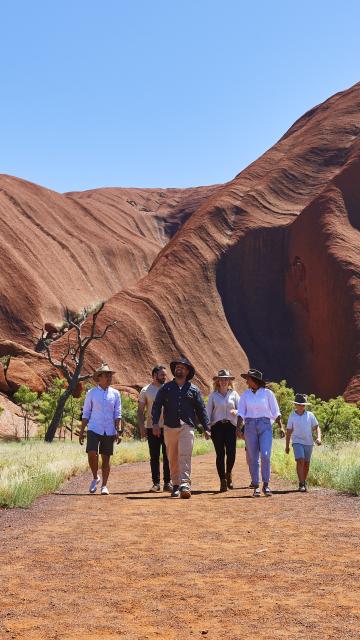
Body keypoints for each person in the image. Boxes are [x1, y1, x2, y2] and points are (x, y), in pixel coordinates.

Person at [152, 357, 210, 499]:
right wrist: (155, 423)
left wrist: (206, 427)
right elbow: (157, 405)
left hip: (187, 426)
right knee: (172, 456)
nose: (179, 369)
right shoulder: (166, 388)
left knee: (184, 454)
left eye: (183, 367)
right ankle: (176, 485)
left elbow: (201, 409)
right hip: (169, 426)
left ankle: (185, 484)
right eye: (178, 367)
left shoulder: (194, 389)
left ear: (187, 371)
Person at [236, 368, 285, 497]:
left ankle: (266, 484)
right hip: (250, 426)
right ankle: (256, 486)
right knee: (252, 456)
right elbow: (241, 413)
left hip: (265, 426)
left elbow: (276, 412)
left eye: (248, 379)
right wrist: (238, 428)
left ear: (255, 380)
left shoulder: (268, 394)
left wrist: (281, 427)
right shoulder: (245, 395)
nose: (247, 382)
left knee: (265, 454)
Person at [79, 363, 122, 495]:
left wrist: (118, 431)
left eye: (110, 375)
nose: (109, 378)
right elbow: (86, 413)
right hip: (94, 427)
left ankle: (104, 485)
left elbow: (118, 414)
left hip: (109, 429)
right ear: (99, 377)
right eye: (106, 375)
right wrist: (81, 431)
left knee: (106, 458)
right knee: (92, 453)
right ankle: (95, 477)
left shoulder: (115, 394)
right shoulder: (91, 393)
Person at [138, 365, 172, 493]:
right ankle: (156, 483)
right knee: (154, 456)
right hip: (151, 427)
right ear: (154, 376)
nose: (165, 377)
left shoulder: (169, 388)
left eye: (165, 375)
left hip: (168, 427)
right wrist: (142, 427)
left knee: (168, 455)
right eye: (162, 375)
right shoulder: (146, 390)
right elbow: (140, 411)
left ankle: (167, 482)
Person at [207, 369, 239, 492]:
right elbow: (208, 412)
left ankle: (228, 473)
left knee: (231, 453)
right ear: (218, 381)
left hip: (231, 426)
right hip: (217, 427)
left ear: (229, 381)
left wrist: (236, 412)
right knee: (220, 454)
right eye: (222, 379)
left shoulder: (234, 394)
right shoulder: (213, 395)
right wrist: (207, 428)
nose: (224, 381)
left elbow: (242, 409)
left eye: (226, 379)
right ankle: (223, 481)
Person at [285, 393, 322, 492]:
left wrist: (319, 438)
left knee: (306, 463)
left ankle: (303, 481)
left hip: (309, 443)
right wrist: (287, 446)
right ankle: (301, 483)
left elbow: (317, 427)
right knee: (300, 460)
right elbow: (288, 431)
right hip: (297, 441)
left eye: (303, 405)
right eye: (299, 404)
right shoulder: (292, 416)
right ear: (295, 405)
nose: (301, 406)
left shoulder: (310, 415)